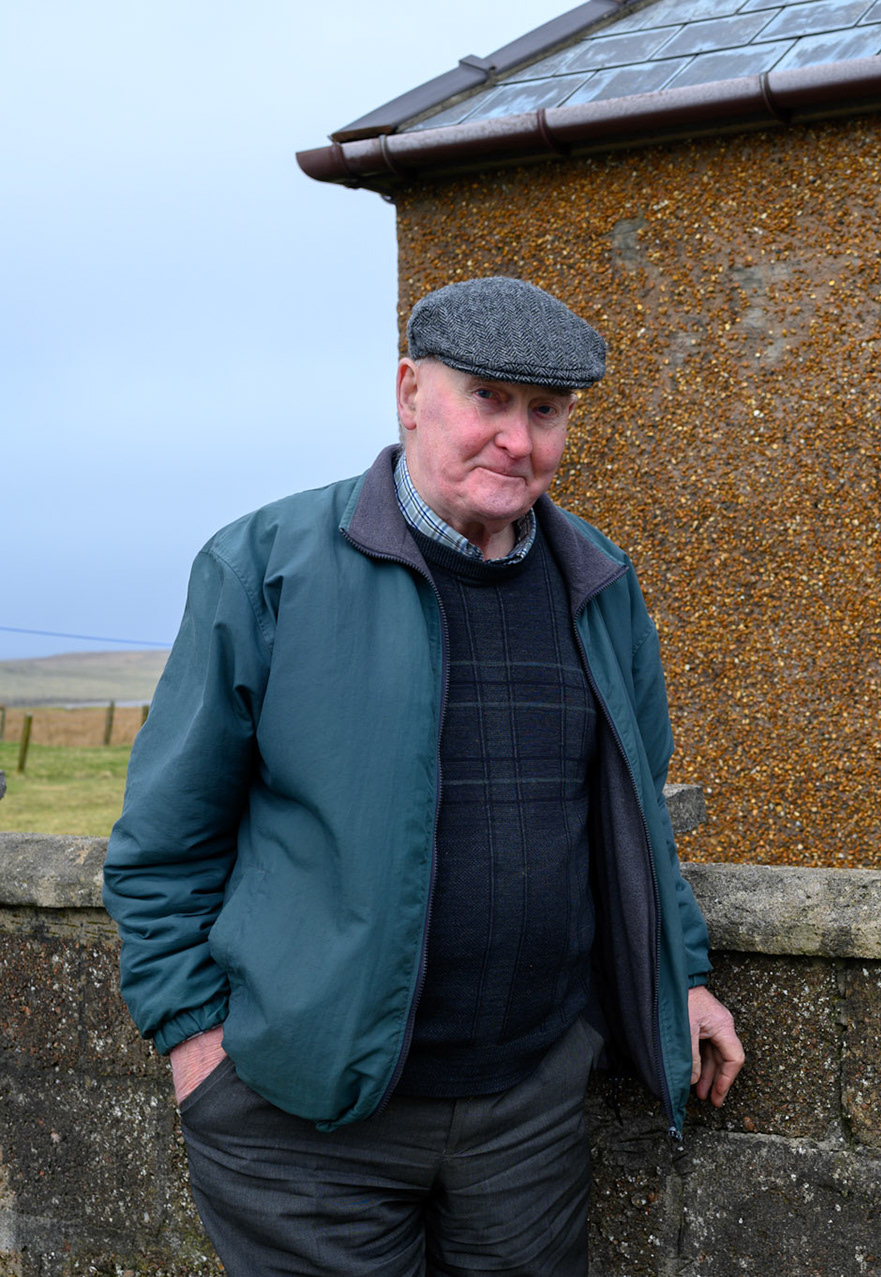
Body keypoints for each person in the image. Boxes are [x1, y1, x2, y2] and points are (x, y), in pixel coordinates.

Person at [103, 276, 743, 1276]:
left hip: (525, 1114)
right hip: (301, 1120)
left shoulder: (600, 584)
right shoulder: (265, 565)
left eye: (545, 411)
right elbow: (161, 844)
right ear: (410, 393)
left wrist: (684, 975)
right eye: (487, 397)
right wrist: (198, 1044)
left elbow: (634, 819)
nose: (517, 440)